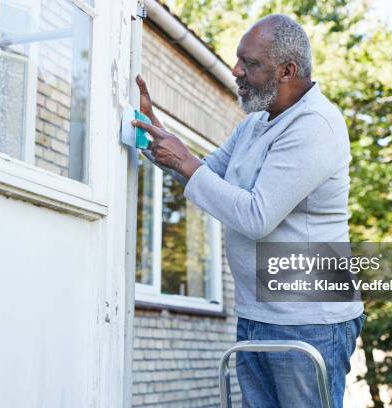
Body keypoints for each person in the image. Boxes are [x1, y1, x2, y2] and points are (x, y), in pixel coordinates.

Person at [132, 13, 365, 408]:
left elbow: (257, 216)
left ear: (288, 70)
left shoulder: (316, 126)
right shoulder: (257, 122)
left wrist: (186, 161)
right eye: (239, 59)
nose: (236, 71)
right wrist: (153, 132)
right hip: (259, 312)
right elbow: (206, 178)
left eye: (250, 64)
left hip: (309, 320)